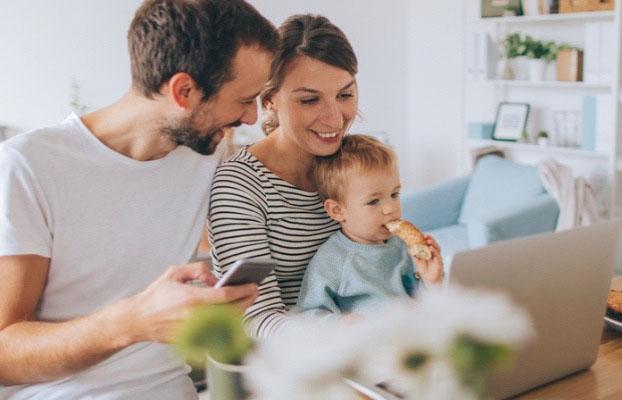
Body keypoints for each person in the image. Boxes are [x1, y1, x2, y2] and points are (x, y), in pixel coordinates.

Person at [0, 1, 278, 399]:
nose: (250, 118)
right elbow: (4, 353)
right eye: (243, 100)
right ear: (184, 91)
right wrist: (133, 321)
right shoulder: (29, 165)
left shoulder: (206, 154)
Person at [209, 13, 357, 337]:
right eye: (309, 99)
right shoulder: (239, 185)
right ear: (270, 100)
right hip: (287, 364)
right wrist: (345, 332)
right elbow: (257, 320)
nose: (335, 118)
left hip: (365, 352)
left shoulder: (355, 164)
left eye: (344, 95)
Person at [295, 135, 444, 318]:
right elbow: (308, 315)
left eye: (395, 194)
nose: (390, 208)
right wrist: (341, 324)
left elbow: (422, 301)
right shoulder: (331, 260)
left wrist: (431, 281)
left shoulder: (401, 246)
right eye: (374, 201)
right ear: (337, 210)